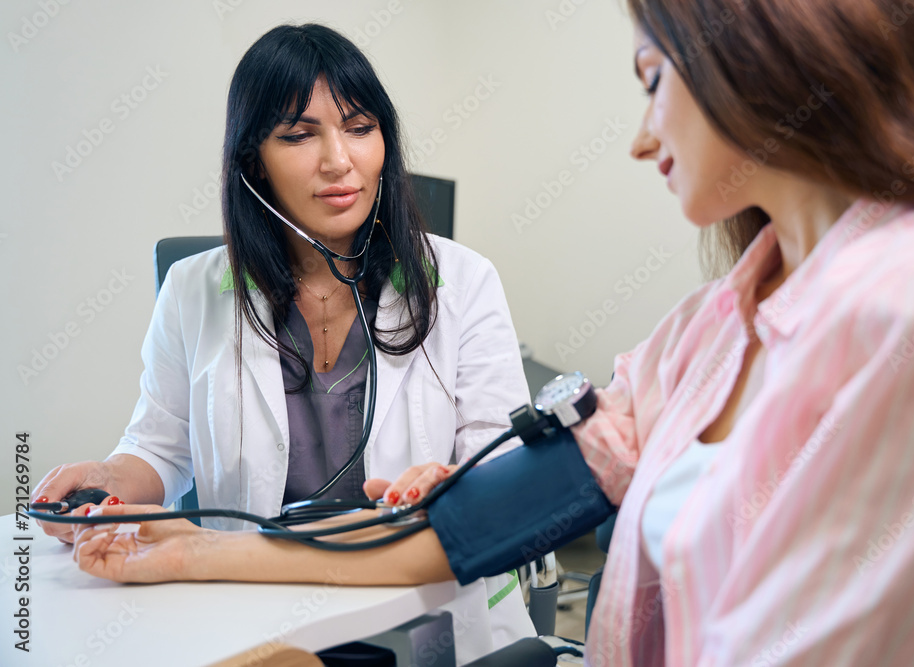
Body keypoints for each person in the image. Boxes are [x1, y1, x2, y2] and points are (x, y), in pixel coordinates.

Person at [70, 0, 914, 664]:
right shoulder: (712, 327)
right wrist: (188, 549)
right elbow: (491, 510)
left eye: (653, 80)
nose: (641, 138)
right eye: (300, 135)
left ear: (767, 57)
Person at [31, 23, 537, 664]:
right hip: (258, 611)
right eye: (299, 135)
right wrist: (108, 478)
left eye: (360, 128)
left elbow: (504, 469)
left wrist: (454, 481)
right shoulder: (192, 290)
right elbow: (160, 446)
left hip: (428, 615)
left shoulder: (463, 281)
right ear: (253, 162)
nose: (339, 161)